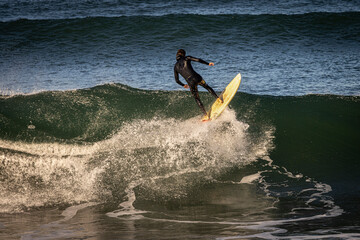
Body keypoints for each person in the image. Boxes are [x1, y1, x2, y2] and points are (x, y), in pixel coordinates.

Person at [174, 49, 221, 118]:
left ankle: (206, 115)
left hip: (190, 83)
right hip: (197, 77)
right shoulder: (187, 58)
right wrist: (208, 63)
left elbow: (177, 80)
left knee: (197, 98)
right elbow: (198, 60)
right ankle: (218, 99)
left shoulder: (175, 67)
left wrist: (183, 85)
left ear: (177, 55)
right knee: (207, 87)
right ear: (183, 54)